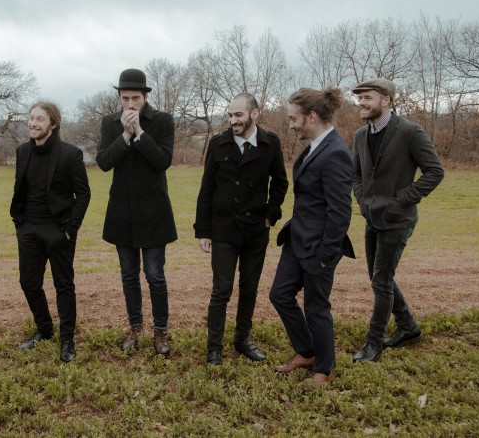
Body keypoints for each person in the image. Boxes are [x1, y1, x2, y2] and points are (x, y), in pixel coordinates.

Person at [351, 78, 444, 362]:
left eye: (367, 98)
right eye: (359, 98)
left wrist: (401, 199)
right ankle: (408, 327)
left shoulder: (409, 131)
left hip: (398, 219)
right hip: (372, 218)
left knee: (381, 281)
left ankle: (373, 343)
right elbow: (356, 174)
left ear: (387, 100)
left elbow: (435, 172)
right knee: (378, 277)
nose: (361, 103)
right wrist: (363, 200)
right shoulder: (360, 135)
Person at [194, 93, 288, 365]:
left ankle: (242, 340)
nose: (233, 120)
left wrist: (271, 213)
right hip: (224, 228)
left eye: (238, 115)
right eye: (230, 115)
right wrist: (203, 230)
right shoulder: (218, 144)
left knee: (249, 288)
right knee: (221, 290)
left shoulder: (270, 143)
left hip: (256, 229)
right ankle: (214, 348)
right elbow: (206, 189)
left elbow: (280, 182)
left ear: (254, 114)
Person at [269, 87, 354, 386]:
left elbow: (340, 211)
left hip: (319, 247)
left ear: (312, 116)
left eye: (294, 119)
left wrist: (326, 255)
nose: (291, 125)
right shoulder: (316, 146)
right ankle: (307, 352)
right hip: (297, 239)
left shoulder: (336, 152)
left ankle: (324, 369)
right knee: (279, 295)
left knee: (317, 307)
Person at [96, 68, 177, 355]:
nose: (130, 104)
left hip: (154, 211)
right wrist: (125, 135)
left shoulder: (163, 121)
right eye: (125, 98)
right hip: (122, 211)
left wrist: (140, 132)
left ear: (145, 97)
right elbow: (104, 162)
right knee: (128, 275)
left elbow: (162, 161)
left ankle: (161, 332)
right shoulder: (109, 123)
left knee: (155, 275)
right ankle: (135, 328)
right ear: (119, 97)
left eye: (135, 98)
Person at [10, 102, 91, 363]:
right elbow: (20, 190)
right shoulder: (23, 151)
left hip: (59, 230)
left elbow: (83, 194)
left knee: (63, 285)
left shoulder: (70, 154)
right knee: (28, 282)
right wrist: (20, 224)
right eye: (31, 118)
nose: (32, 123)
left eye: (39, 119)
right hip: (29, 229)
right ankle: (44, 329)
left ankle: (67, 339)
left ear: (53, 124)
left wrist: (70, 230)